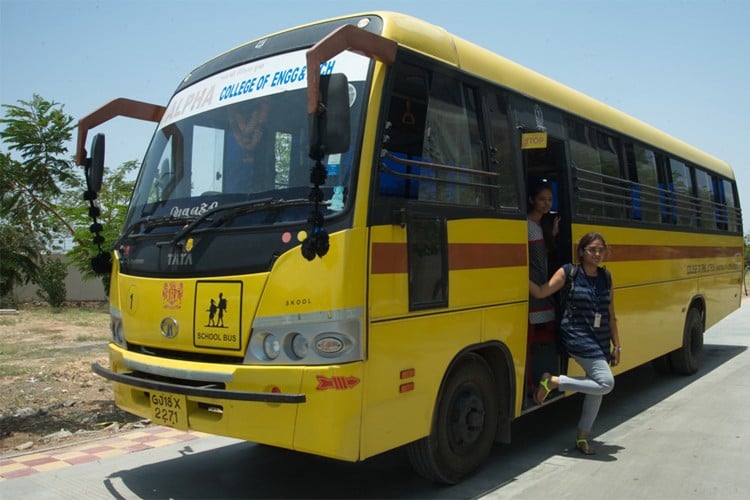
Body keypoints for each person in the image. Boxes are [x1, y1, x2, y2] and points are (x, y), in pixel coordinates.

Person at [528, 231, 621, 455]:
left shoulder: (606, 277)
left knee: (596, 387)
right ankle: (552, 382)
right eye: (592, 250)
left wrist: (617, 345)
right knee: (606, 383)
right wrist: (517, 272)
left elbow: (611, 314)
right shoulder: (568, 271)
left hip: (598, 339)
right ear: (581, 251)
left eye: (601, 250)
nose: (597, 254)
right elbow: (542, 291)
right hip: (576, 335)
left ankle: (582, 438)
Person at [526, 179, 561, 393]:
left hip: (542, 284)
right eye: (541, 199)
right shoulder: (525, 225)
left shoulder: (543, 225)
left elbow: (541, 257)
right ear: (531, 200)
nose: (546, 204)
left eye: (549, 199)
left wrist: (553, 236)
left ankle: (544, 379)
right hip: (532, 286)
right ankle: (532, 383)